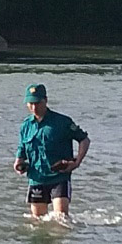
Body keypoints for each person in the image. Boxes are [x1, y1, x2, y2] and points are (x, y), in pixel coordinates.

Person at [14, 83, 90, 219]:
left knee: (61, 218)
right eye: (30, 103)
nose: (34, 107)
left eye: (37, 103)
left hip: (59, 177)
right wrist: (18, 162)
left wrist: (77, 162)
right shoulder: (25, 125)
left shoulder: (62, 122)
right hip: (36, 178)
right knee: (37, 221)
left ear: (46, 100)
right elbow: (22, 149)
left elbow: (84, 140)